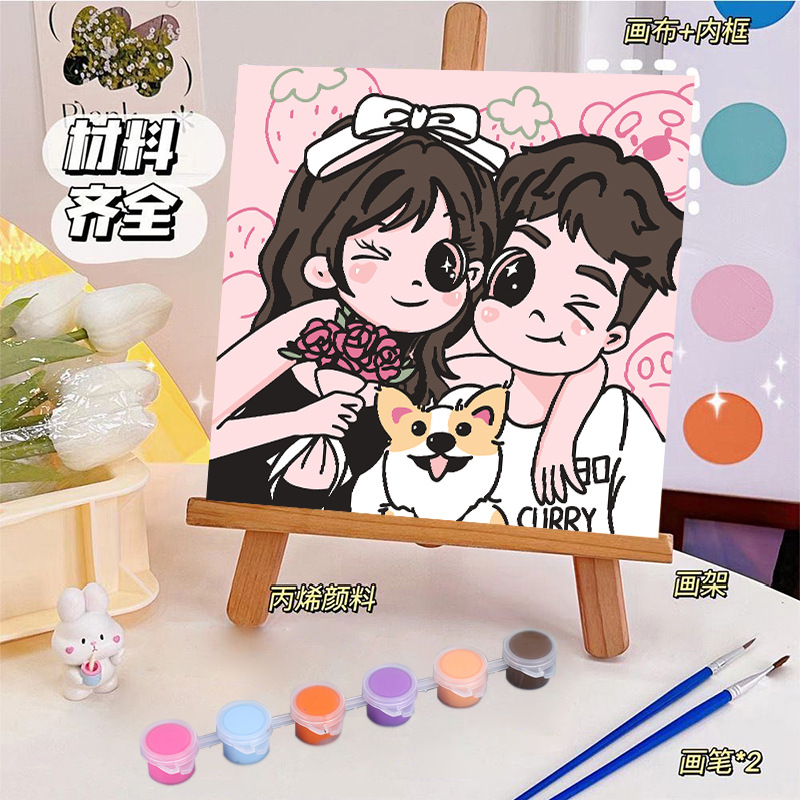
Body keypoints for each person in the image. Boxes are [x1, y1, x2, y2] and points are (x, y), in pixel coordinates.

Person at [206, 96, 503, 510]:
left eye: (441, 262)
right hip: (247, 503)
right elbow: (205, 433)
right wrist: (299, 421)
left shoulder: (428, 351)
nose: (412, 281)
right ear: (322, 267)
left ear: (472, 273)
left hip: (342, 534)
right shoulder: (314, 323)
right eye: (377, 255)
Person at [472, 134, 683, 534]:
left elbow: (631, 535)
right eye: (516, 276)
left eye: (579, 305)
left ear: (612, 338)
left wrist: (563, 431)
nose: (537, 313)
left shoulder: (620, 423)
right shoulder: (461, 409)